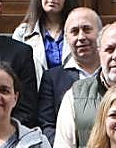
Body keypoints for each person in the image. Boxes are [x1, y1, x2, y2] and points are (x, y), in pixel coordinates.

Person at [38, 7, 103, 137]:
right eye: (74, 31)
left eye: (87, 29)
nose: (81, 37)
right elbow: (46, 125)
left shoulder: (114, 72)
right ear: (66, 38)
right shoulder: (52, 78)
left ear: (101, 33)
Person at [12, 0, 81, 86]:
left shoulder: (80, 33)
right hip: (35, 100)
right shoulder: (22, 33)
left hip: (71, 98)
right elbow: (14, 73)